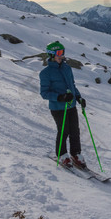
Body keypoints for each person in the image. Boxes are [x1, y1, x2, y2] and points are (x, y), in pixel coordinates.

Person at [40, 41, 87, 169]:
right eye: (59, 53)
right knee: (64, 131)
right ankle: (62, 155)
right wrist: (60, 97)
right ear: (51, 55)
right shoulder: (45, 73)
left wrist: (78, 97)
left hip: (71, 106)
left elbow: (72, 86)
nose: (62, 55)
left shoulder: (67, 68)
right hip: (57, 108)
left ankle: (76, 154)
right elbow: (44, 93)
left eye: (63, 52)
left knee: (75, 131)